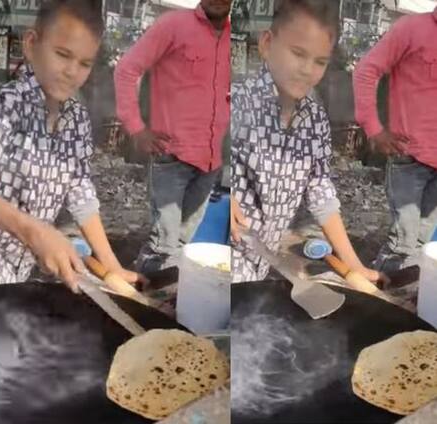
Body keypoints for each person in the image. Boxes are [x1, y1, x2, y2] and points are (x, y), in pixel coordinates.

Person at [0, 0, 143, 290]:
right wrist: (34, 231)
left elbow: (80, 193)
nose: (72, 71)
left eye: (85, 63)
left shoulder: (76, 118)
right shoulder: (6, 105)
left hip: (23, 265)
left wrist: (111, 265)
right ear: (32, 44)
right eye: (63, 55)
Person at [230, 0, 380, 283]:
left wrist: (354, 265)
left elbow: (320, 190)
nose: (307, 69)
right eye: (298, 53)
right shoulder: (236, 103)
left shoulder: (314, 119)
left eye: (320, 61)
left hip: (261, 265)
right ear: (266, 43)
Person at [114, 0, 232, 274]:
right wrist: (136, 127)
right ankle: (143, 302)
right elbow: (126, 69)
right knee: (163, 245)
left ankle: (169, 297)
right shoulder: (173, 25)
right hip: (172, 155)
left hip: (212, 160)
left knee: (182, 241)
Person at [353, 6, 437, 272]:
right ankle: (379, 303)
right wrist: (374, 128)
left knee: (423, 244)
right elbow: (365, 71)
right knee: (402, 243)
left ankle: (407, 303)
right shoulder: (411, 28)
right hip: (409, 158)